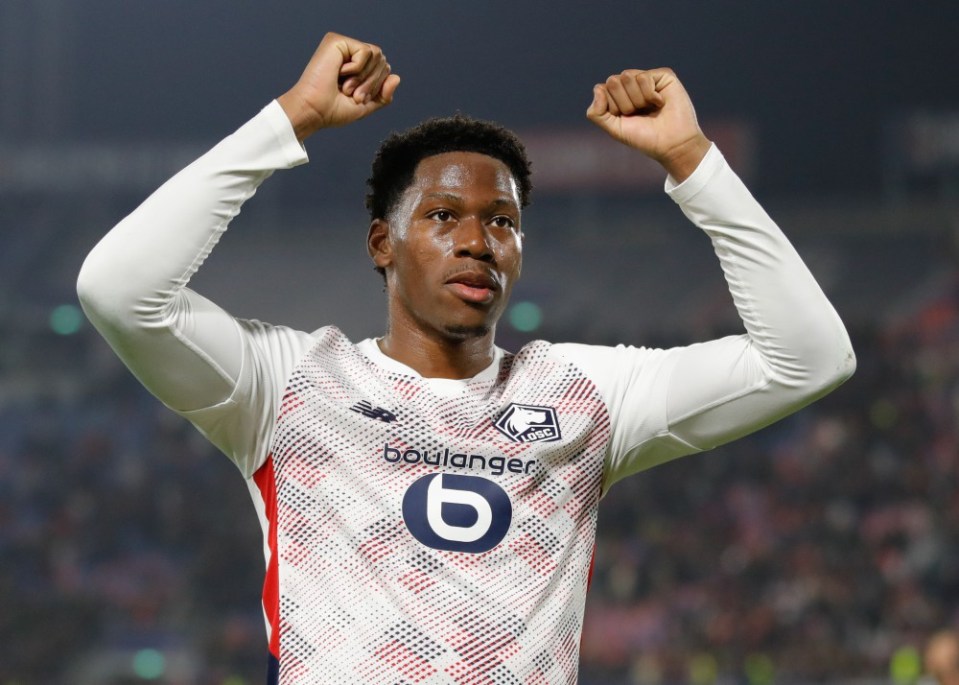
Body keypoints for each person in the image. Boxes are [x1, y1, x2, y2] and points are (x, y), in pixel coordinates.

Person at [77, 31, 855, 685]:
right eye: (443, 215)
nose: (478, 241)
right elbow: (118, 288)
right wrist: (291, 121)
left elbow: (810, 358)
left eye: (503, 222)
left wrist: (690, 159)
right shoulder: (289, 385)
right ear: (383, 243)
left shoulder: (586, 393)